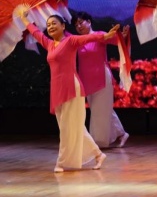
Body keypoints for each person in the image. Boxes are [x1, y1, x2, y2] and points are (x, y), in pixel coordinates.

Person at [20, 12, 119, 172]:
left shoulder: (70, 41)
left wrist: (105, 36)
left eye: (54, 23)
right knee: (72, 126)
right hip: (57, 88)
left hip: (72, 87)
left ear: (63, 26)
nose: (51, 27)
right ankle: (98, 154)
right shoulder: (49, 44)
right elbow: (36, 33)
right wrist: (24, 19)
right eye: (49, 25)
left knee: (67, 127)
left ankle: (62, 162)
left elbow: (88, 38)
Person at [72, 12, 130, 149]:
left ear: (89, 22)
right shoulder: (78, 40)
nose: (78, 26)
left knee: (99, 111)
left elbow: (116, 40)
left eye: (81, 22)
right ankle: (122, 133)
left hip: (102, 77)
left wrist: (123, 35)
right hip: (86, 80)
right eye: (76, 25)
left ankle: (97, 142)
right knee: (102, 109)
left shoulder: (100, 35)